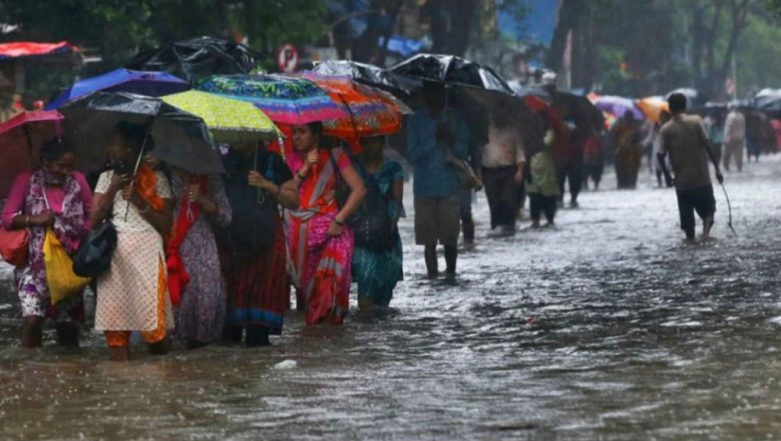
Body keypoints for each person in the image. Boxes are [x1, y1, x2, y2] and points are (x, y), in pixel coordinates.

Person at [90, 123, 174, 361]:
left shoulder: (158, 179)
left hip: (147, 256)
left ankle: (160, 383)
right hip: (115, 258)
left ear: (130, 148)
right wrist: (113, 189)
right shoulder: (107, 178)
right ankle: (121, 384)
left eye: (114, 144)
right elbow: (94, 219)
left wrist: (140, 200)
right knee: (116, 333)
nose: (109, 149)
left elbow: (167, 225)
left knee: (154, 332)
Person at [2, 138, 93, 347]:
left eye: (70, 166)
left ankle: (69, 371)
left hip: (68, 264)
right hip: (33, 265)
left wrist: (77, 234)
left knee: (67, 326)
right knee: (33, 320)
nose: (65, 171)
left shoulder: (78, 181)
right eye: (60, 165)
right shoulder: (26, 180)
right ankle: (31, 370)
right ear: (45, 162)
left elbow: (91, 214)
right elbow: (7, 218)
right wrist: (34, 219)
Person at [287, 122, 366, 325]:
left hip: (333, 233)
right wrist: (305, 168)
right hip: (300, 236)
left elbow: (359, 190)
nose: (297, 137)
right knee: (306, 296)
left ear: (316, 134)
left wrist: (339, 220)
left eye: (302, 132)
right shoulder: (289, 159)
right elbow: (284, 193)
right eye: (294, 132)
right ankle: (313, 348)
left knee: (328, 290)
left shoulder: (336, 156)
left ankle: (330, 350)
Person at [220, 141, 298, 345]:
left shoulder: (272, 161)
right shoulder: (225, 162)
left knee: (257, 333)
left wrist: (267, 185)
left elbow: (293, 201)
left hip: (266, 238)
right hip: (234, 240)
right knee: (230, 332)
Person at [407, 83, 469, 279]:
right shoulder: (416, 121)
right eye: (431, 93)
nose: (435, 97)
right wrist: (434, 139)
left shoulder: (454, 118)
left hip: (449, 187)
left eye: (439, 93)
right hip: (424, 189)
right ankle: (431, 275)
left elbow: (463, 152)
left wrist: (451, 139)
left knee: (451, 238)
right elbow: (412, 155)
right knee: (428, 240)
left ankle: (451, 273)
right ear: (425, 95)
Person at [167, 167, 232, 349]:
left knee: (206, 294)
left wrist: (204, 201)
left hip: (203, 245)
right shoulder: (168, 174)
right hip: (176, 243)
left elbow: (226, 217)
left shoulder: (211, 178)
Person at [657, 93, 724, 244]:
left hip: (682, 183)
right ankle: (705, 235)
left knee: (688, 228)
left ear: (670, 108)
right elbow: (708, 145)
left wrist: (667, 176)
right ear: (685, 106)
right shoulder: (696, 121)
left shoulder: (665, 129)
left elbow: (660, 155)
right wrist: (717, 169)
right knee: (709, 212)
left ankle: (692, 242)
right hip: (702, 178)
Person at [351, 136, 404, 312]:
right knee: (365, 294)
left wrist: (387, 230)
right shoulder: (353, 166)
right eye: (365, 142)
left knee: (384, 295)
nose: (368, 146)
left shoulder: (393, 167)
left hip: (387, 237)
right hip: (362, 235)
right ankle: (368, 334)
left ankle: (380, 337)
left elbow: (396, 202)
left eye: (373, 141)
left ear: (382, 143)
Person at [479, 110, 525, 235]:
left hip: (508, 170)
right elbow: (479, 151)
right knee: (493, 200)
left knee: (508, 199)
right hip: (489, 170)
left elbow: (519, 151)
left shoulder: (513, 131)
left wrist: (520, 170)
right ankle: (495, 226)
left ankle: (509, 226)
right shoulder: (485, 130)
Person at [526, 117, 560, 228]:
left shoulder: (550, 133)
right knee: (534, 196)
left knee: (548, 197)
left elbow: (547, 142)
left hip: (547, 170)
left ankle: (550, 219)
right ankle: (535, 220)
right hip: (532, 169)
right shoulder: (529, 134)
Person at [611, 110, 643, 189]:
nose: (628, 118)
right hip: (621, 153)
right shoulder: (619, 127)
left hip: (632, 155)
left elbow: (638, 140)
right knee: (621, 177)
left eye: (629, 117)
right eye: (626, 116)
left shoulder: (635, 128)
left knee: (632, 177)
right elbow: (614, 140)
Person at [722, 105, 745, 172]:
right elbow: (743, 127)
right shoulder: (741, 116)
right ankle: (739, 167)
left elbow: (728, 127)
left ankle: (726, 166)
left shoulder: (730, 116)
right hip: (740, 136)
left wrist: (725, 137)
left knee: (727, 153)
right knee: (739, 153)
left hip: (731, 137)